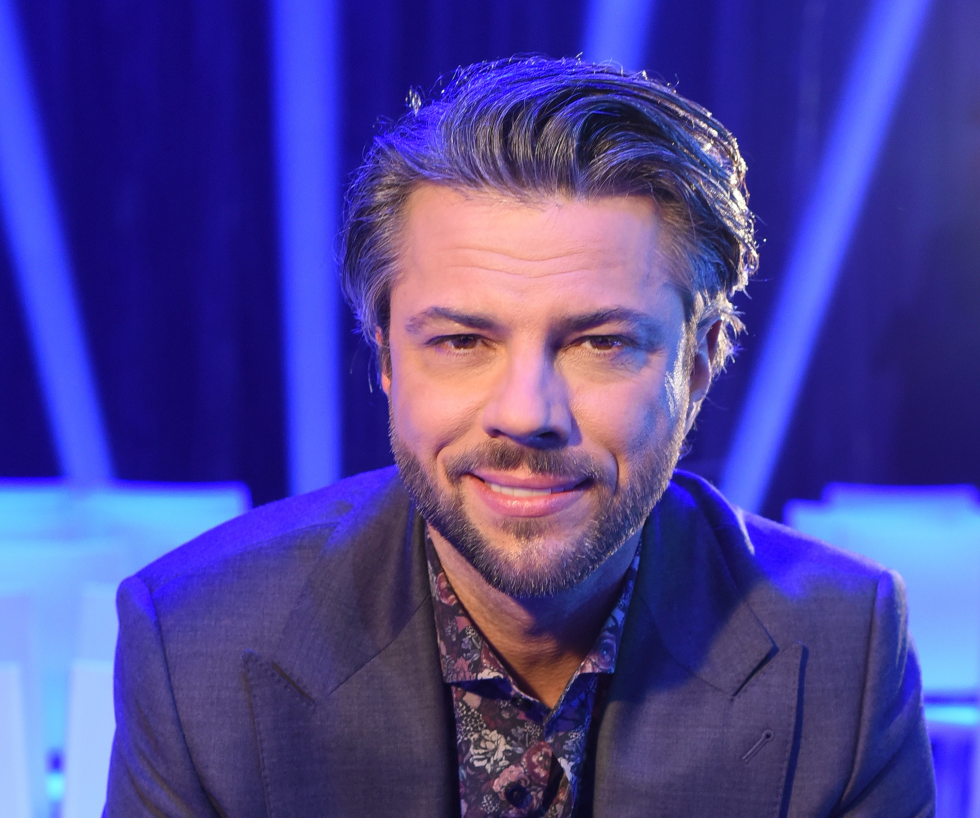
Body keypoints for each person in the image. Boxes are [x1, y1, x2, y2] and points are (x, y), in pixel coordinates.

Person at [106, 57, 935, 817]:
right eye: (462, 341)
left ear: (698, 365)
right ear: (386, 360)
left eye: (601, 343)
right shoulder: (199, 644)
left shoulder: (844, 650)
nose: (527, 411)